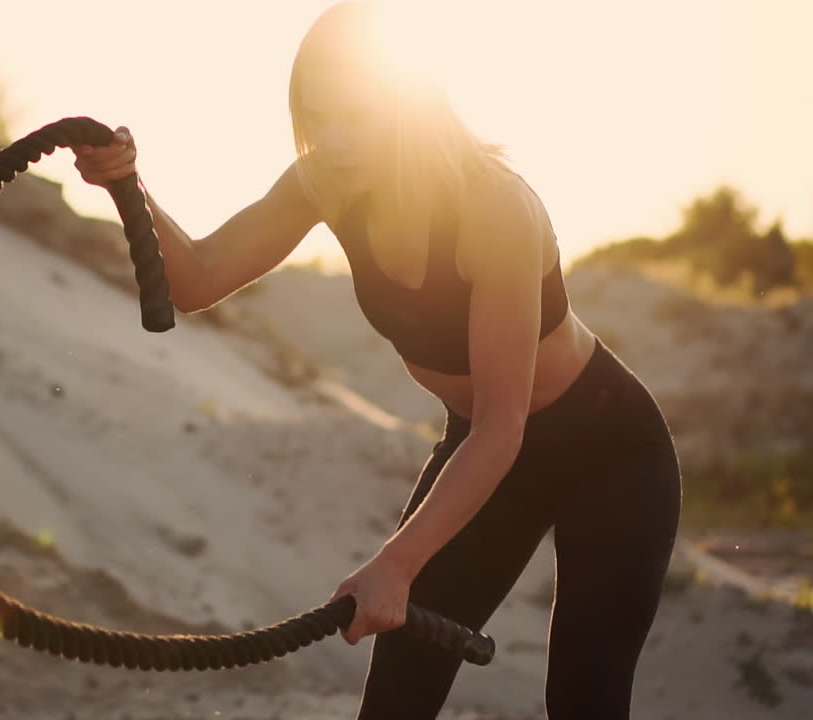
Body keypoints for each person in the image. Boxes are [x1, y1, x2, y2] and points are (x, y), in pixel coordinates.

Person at [69, 2, 681, 717]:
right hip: (483, 445)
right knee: (397, 696)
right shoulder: (326, 180)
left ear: (407, 107)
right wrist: (126, 183)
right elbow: (198, 277)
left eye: (352, 114)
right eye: (316, 116)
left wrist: (395, 563)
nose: (330, 137)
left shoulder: (497, 209)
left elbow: (502, 424)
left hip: (608, 452)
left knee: (584, 698)